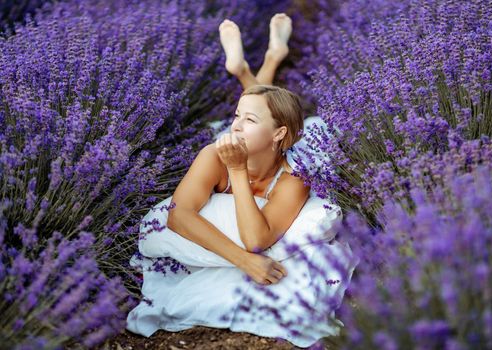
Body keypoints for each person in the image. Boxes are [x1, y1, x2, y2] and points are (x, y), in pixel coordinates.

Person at [126, 13, 358, 348]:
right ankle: (260, 63)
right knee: (259, 109)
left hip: (288, 148)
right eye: (235, 116)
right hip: (263, 146)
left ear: (279, 136)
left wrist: (238, 171)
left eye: (244, 120)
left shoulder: (295, 177)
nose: (235, 125)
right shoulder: (215, 155)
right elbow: (177, 216)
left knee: (304, 125)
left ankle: (258, 65)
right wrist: (243, 262)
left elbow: (256, 240)